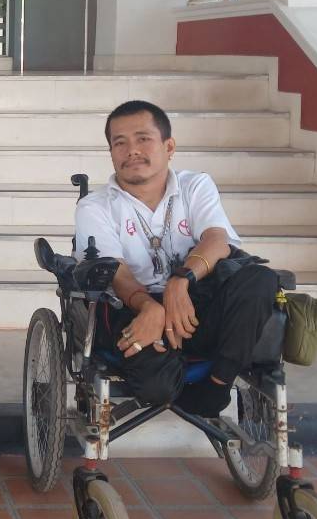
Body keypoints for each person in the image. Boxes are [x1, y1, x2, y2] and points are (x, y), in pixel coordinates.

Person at [74, 100, 279, 415]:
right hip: (133, 308)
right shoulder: (95, 206)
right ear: (111, 152)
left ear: (169, 147)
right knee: (156, 387)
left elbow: (217, 240)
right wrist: (150, 307)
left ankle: (217, 387)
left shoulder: (194, 186)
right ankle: (175, 384)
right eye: (120, 143)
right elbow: (116, 271)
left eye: (143, 139)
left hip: (195, 302)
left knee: (261, 280)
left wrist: (180, 281)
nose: (132, 150)